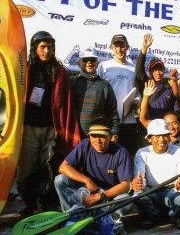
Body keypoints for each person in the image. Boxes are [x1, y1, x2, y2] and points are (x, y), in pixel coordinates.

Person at [16, 31, 81, 216]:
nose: (46, 51)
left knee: (47, 167)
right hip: (28, 128)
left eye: (49, 47)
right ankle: (28, 204)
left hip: (51, 129)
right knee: (26, 168)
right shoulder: (25, 70)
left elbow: (64, 103)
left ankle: (46, 204)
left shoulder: (59, 72)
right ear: (34, 49)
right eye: (42, 47)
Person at [54, 117, 132, 213]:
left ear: (110, 136)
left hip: (111, 194)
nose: (98, 140)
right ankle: (70, 214)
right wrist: (87, 180)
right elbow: (63, 167)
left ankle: (108, 218)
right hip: (89, 189)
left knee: (126, 200)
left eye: (102, 136)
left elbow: (126, 185)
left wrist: (100, 196)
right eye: (94, 136)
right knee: (60, 180)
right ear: (89, 137)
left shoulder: (121, 152)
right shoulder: (85, 145)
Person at [132, 119, 180, 229]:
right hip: (151, 191)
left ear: (169, 136)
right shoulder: (142, 153)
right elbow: (140, 179)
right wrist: (138, 184)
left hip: (172, 191)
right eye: (157, 136)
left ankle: (171, 217)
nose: (161, 139)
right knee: (138, 195)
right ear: (149, 138)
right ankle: (156, 216)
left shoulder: (179, 151)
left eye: (165, 135)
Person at [98, 34, 140, 157]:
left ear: (127, 47)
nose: (119, 49)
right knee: (109, 157)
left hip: (129, 121)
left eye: (122, 46)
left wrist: (137, 101)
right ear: (111, 47)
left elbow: (138, 92)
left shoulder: (134, 68)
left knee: (128, 155)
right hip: (109, 121)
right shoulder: (103, 66)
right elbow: (98, 90)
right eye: (116, 46)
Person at [71, 47, 119, 138]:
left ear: (97, 63)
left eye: (92, 60)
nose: (89, 62)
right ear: (78, 63)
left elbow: (113, 113)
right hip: (74, 137)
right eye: (85, 60)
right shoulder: (71, 83)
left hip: (98, 138)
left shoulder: (105, 85)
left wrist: (114, 133)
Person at [139, 79, 180, 155]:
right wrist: (146, 97)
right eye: (167, 124)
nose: (171, 127)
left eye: (174, 123)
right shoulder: (158, 132)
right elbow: (143, 118)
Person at [135, 33, 180, 121]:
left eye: (160, 69)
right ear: (150, 72)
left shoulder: (169, 88)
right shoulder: (146, 84)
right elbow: (139, 69)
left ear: (164, 71)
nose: (157, 73)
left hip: (165, 127)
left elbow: (176, 110)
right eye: (154, 70)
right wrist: (144, 49)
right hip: (149, 125)